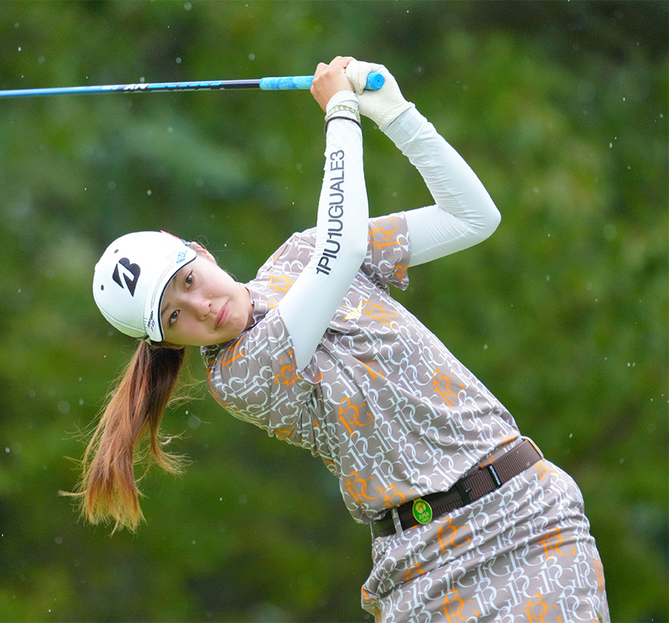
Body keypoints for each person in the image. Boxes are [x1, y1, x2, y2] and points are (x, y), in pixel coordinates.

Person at [74, 56, 610, 621]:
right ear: (168, 344)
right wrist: (340, 115)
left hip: (528, 519)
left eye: (187, 281)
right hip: (422, 571)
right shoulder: (238, 374)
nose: (202, 307)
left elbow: (472, 217)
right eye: (176, 317)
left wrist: (396, 114)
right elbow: (344, 248)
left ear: (197, 251)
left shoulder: (301, 253)